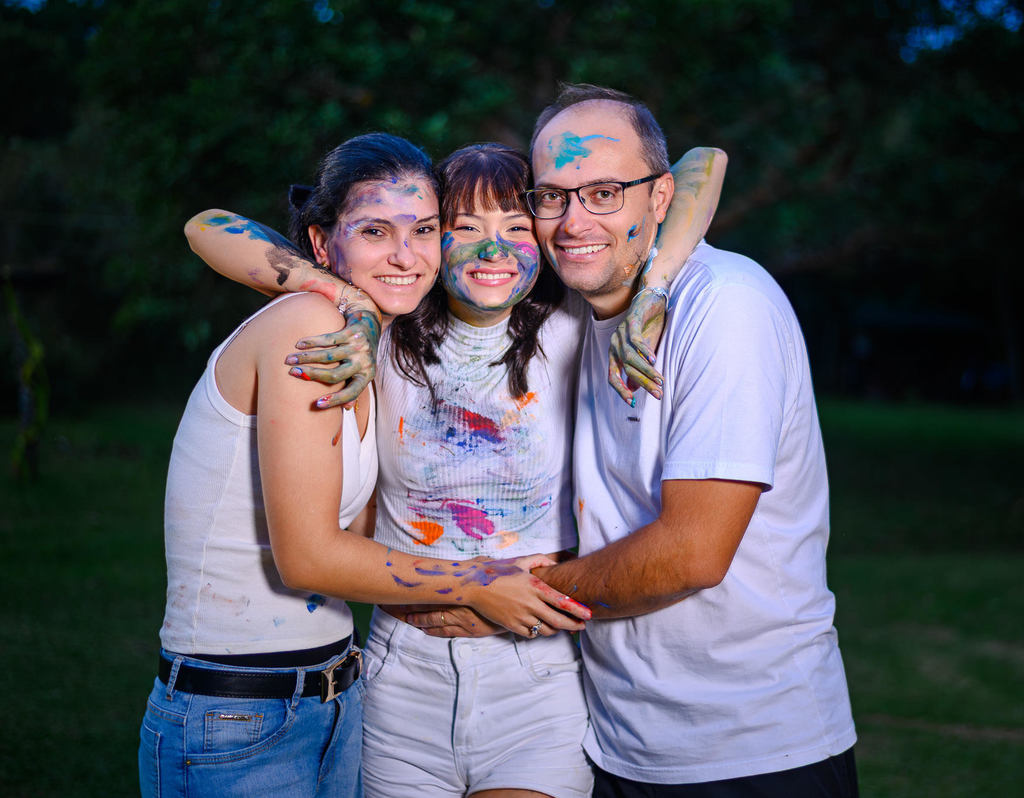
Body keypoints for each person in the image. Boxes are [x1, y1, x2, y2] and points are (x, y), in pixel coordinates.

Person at [185, 139, 725, 798]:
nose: (493, 250)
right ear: (437, 240)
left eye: (517, 228)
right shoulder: (385, 327)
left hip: (534, 673)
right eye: (465, 228)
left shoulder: (576, 322)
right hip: (398, 676)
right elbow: (206, 227)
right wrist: (339, 296)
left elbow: (707, 162)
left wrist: (655, 287)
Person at [414, 84, 860, 796]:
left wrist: (499, 597)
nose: (571, 220)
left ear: (657, 200)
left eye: (602, 193)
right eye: (553, 196)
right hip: (620, 742)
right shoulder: (573, 308)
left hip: (751, 750)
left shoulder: (724, 304)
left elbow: (692, 554)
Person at [140, 133, 589, 798]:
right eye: (377, 230)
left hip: (329, 698)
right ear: (324, 244)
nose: (405, 254)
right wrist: (477, 583)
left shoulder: (374, 336)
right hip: (243, 709)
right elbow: (206, 225)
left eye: (424, 230)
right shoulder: (312, 328)